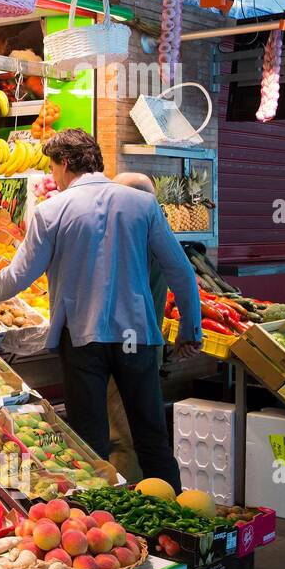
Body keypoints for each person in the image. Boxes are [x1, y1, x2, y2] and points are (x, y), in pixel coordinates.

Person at [0, 130, 201, 489]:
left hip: (82, 340)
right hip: (136, 338)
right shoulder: (142, 205)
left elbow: (19, 276)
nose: (54, 177)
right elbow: (181, 271)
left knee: (89, 445)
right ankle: (176, 523)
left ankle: (102, 524)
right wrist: (191, 329)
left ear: (64, 164)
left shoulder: (51, 211)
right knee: (151, 435)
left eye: (52, 167)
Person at [106, 173, 170, 481]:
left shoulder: (134, 239)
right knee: (142, 431)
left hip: (125, 347)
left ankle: (122, 511)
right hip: (144, 345)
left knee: (122, 436)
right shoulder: (156, 232)